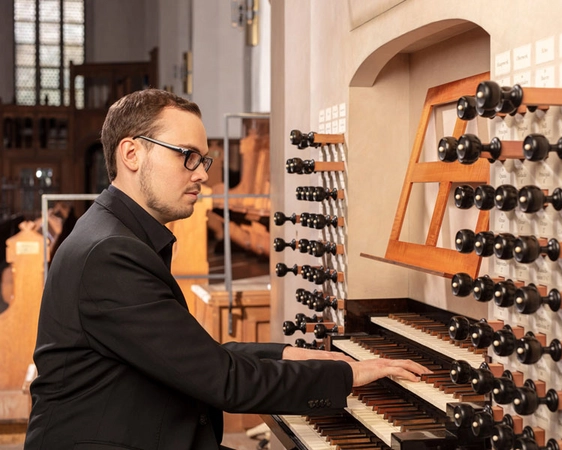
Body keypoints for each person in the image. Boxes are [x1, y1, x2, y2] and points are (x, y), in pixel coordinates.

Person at [24, 88, 431, 450]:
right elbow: (222, 380)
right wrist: (344, 376)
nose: (202, 173)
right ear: (132, 154)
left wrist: (289, 353)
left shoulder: (113, 234)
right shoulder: (110, 253)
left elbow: (193, 358)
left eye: (204, 159)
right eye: (187, 157)